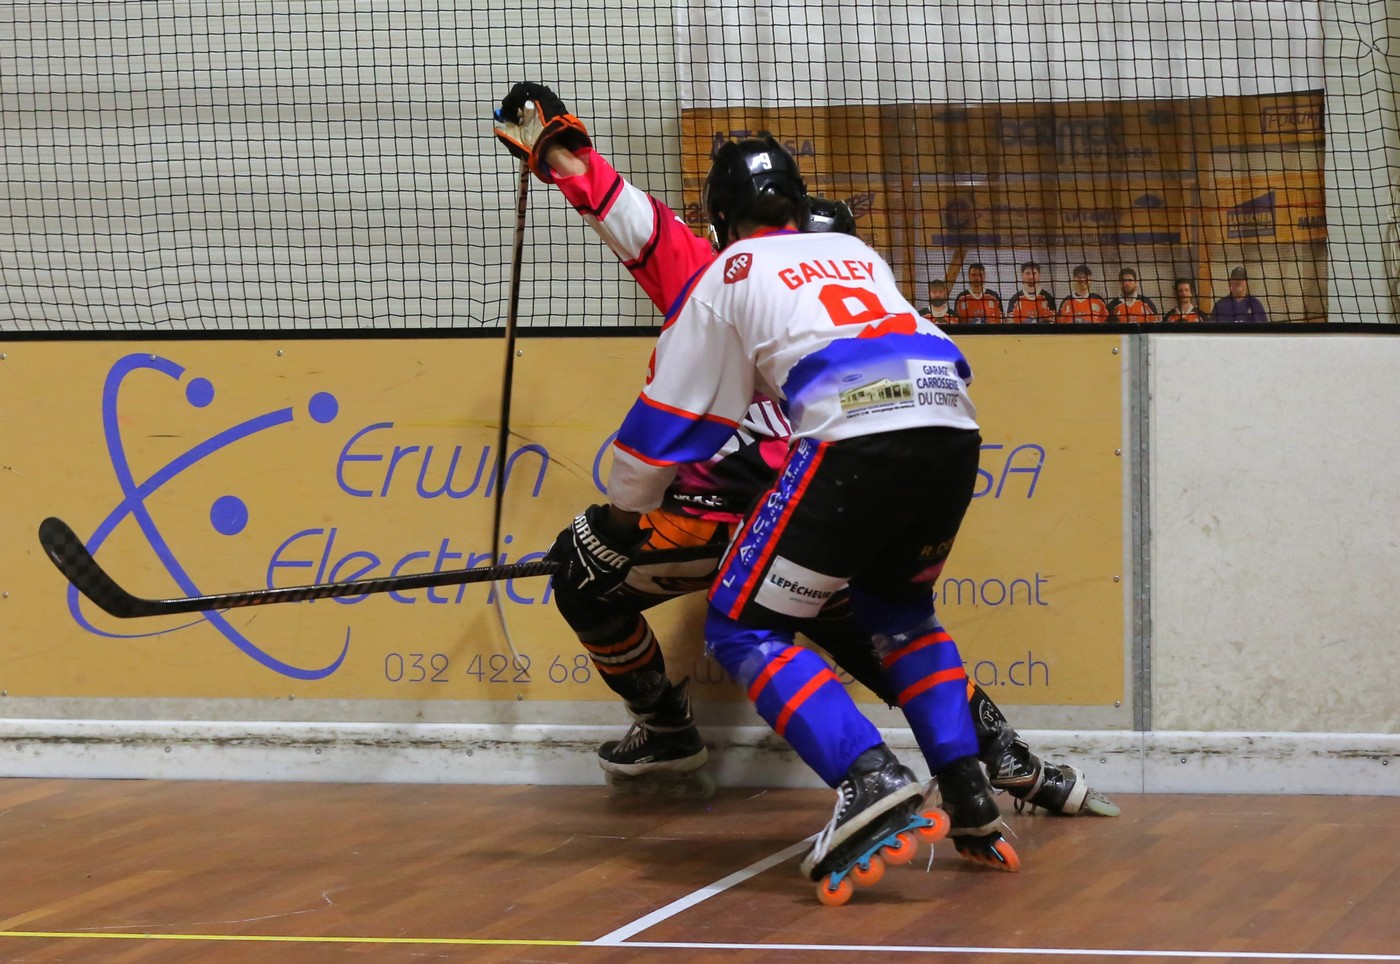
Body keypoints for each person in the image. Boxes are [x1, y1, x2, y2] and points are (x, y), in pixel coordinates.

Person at [492, 83, 1116, 827]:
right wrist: (563, 153)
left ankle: (668, 731)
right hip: (819, 511)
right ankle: (1003, 758)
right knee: (889, 628)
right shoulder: (855, 276)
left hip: (721, 520)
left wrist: (561, 152)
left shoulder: (724, 273)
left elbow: (636, 224)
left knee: (581, 577)